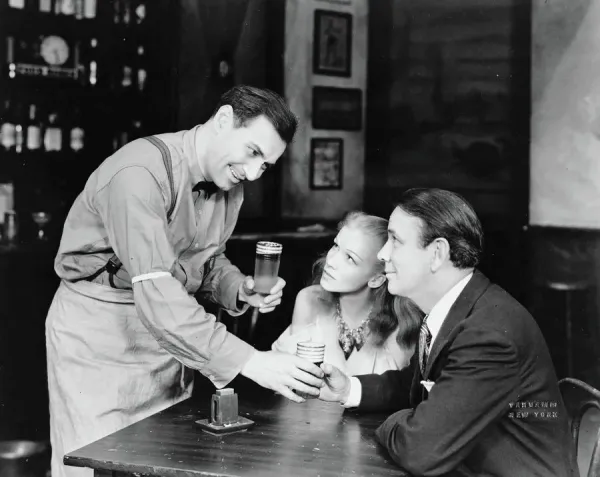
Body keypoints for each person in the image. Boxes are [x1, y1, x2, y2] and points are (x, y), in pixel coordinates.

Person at [46, 85, 324, 477]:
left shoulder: (230, 185)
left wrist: (237, 286)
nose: (252, 171)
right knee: (93, 468)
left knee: (161, 467)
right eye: (253, 151)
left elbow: (206, 259)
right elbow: (157, 289)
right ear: (224, 120)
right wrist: (251, 361)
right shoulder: (138, 173)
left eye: (266, 165)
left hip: (172, 346)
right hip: (99, 343)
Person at [319, 188, 578, 477]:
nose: (383, 254)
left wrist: (397, 420)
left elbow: (420, 451)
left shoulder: (489, 334)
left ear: (437, 253)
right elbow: (412, 384)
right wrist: (349, 389)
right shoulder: (455, 308)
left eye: (395, 240)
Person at [272, 211, 423, 375]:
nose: (330, 261)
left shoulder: (400, 323)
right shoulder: (309, 300)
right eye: (336, 246)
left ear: (376, 279)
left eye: (350, 258)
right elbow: (293, 380)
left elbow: (402, 394)